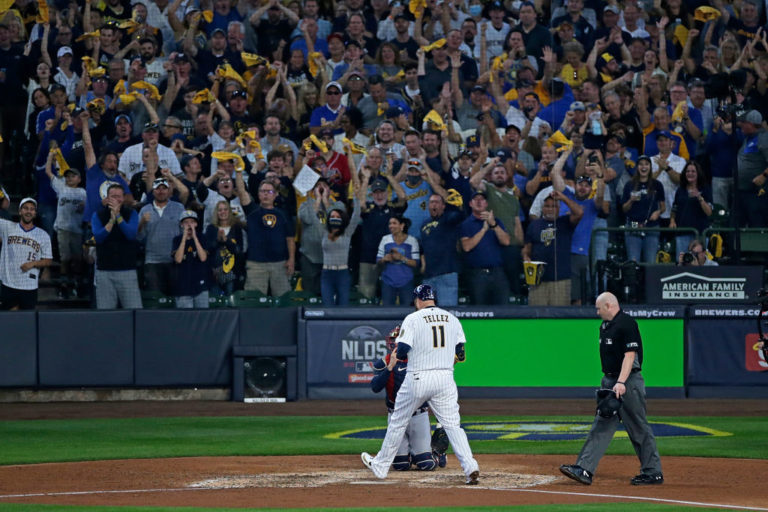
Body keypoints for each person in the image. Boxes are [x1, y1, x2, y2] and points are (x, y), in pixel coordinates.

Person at [362, 284, 480, 484]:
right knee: (453, 426)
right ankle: (470, 467)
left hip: (418, 377)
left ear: (417, 300)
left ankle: (381, 467)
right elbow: (460, 354)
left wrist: (404, 355)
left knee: (398, 421)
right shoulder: (452, 318)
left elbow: (402, 350)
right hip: (445, 379)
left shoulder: (413, 318)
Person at [560, 292, 663, 487]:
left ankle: (652, 471)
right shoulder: (606, 326)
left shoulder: (626, 323)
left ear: (609, 306)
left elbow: (630, 356)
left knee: (638, 426)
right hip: (610, 382)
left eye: (599, 308)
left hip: (627, 382)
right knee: (602, 424)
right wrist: (608, 383)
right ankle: (584, 469)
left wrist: (621, 382)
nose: (597, 312)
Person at [370, 324, 439, 472]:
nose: (395, 344)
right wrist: (390, 367)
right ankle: (409, 455)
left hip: (418, 415)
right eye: (394, 340)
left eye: (398, 340)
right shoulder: (385, 361)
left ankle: (436, 453)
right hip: (395, 414)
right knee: (400, 466)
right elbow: (375, 387)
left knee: (426, 464)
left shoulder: (422, 360)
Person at [91, 182, 143, 309]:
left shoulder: (132, 213)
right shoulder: (98, 215)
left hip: (127, 269)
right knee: (105, 311)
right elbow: (98, 237)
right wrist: (111, 220)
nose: (116, 199)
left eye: (119, 196)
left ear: (123, 198)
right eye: (113, 196)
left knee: (134, 309)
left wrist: (118, 216)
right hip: (104, 271)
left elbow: (131, 234)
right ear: (107, 198)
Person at [43, 154, 86, 299]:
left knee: (77, 259)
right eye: (68, 176)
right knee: (65, 258)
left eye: (73, 176)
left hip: (77, 230)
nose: (69, 178)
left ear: (79, 179)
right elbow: (48, 171)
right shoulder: (61, 187)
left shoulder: (83, 193)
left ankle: (76, 283)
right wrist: (50, 156)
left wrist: (85, 206)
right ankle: (63, 285)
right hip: (62, 229)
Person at [0, 198, 53, 310]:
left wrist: (32, 264)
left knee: (26, 321)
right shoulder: (7, 227)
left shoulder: (43, 235)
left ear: (35, 213)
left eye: (32, 209)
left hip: (29, 285)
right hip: (9, 283)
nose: (29, 211)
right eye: (25, 208)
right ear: (20, 211)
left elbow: (48, 260)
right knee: (10, 320)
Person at [419, 194, 464, 307]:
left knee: (447, 311)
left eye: (437, 202)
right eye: (431, 202)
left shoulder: (448, 219)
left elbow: (460, 216)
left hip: (446, 273)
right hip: (429, 275)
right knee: (426, 312)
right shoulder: (424, 224)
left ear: (443, 206)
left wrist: (458, 207)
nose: (433, 205)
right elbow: (423, 248)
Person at [204, 200, 246, 296]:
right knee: (215, 303)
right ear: (216, 213)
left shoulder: (236, 228)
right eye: (220, 210)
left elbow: (239, 251)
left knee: (230, 303)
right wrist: (218, 241)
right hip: (214, 273)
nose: (223, 212)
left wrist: (226, 240)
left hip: (232, 273)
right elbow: (207, 250)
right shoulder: (211, 228)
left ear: (229, 211)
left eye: (225, 209)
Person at [734, 110, 768, 228]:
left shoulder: (764, 138)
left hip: (755, 193)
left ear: (751, 124)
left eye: (743, 122)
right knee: (736, 226)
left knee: (757, 225)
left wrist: (764, 175)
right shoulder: (748, 138)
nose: (740, 125)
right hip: (742, 191)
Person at [377, 214, 420, 306]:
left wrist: (401, 258)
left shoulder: (412, 240)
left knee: (408, 313)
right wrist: (384, 259)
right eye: (390, 223)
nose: (391, 226)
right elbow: (378, 262)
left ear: (402, 225)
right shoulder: (385, 239)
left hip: (406, 282)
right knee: (387, 313)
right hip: (387, 281)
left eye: (394, 223)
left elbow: (416, 263)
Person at [171, 210, 209, 308]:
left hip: (200, 286)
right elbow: (178, 259)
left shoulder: (202, 238)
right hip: (183, 287)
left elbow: (203, 257)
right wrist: (184, 237)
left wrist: (195, 237)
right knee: (186, 319)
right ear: (181, 225)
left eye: (192, 222)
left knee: (203, 317)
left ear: (196, 224)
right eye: (186, 222)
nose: (189, 225)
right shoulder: (177, 240)